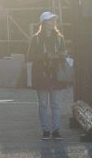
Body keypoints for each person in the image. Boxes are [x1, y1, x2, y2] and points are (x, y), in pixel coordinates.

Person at [26, 11, 69, 140]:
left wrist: (61, 55)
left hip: (55, 74)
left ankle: (55, 130)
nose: (53, 22)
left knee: (55, 104)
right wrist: (46, 56)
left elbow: (64, 53)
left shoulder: (59, 38)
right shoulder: (36, 39)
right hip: (42, 75)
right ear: (44, 23)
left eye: (54, 20)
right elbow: (30, 56)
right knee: (43, 104)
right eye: (51, 20)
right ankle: (46, 130)